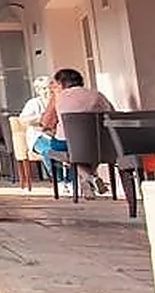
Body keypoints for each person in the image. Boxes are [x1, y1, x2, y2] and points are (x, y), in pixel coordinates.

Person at [33, 68, 115, 198]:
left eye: (54, 84)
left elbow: (46, 123)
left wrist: (53, 101)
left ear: (60, 84)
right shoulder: (97, 95)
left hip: (68, 143)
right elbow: (113, 115)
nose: (53, 88)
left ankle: (89, 177)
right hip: (100, 144)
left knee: (67, 149)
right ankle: (88, 180)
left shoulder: (59, 97)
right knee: (88, 149)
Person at [18, 76, 51, 155]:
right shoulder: (34, 103)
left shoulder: (58, 101)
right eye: (44, 88)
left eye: (50, 88)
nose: (49, 91)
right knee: (50, 152)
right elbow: (23, 120)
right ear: (38, 91)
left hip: (56, 137)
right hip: (38, 137)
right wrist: (40, 118)